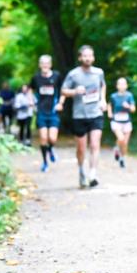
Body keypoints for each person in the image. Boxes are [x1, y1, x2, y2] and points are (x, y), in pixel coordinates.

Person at [60, 45, 106, 188]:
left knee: (94, 145)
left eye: (90, 55)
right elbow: (63, 91)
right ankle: (81, 171)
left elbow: (102, 85)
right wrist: (74, 91)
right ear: (80, 58)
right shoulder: (73, 74)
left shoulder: (99, 72)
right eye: (85, 56)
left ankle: (93, 174)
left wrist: (103, 99)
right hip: (79, 115)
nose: (88, 58)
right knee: (81, 148)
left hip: (96, 114)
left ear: (93, 57)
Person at [31, 55, 62, 172]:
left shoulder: (57, 76)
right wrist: (31, 101)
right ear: (40, 65)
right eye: (42, 63)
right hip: (41, 112)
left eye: (47, 63)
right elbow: (30, 89)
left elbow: (63, 90)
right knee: (43, 138)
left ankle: (51, 149)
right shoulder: (36, 78)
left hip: (53, 111)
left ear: (50, 64)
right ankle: (45, 162)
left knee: (52, 138)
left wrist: (61, 103)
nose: (45, 65)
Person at [107, 77, 136, 168]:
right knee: (121, 138)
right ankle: (117, 148)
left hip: (127, 122)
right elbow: (109, 105)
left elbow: (133, 109)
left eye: (124, 84)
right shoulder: (113, 96)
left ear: (126, 86)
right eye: (120, 84)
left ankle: (122, 158)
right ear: (117, 86)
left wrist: (128, 106)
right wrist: (110, 113)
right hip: (116, 121)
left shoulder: (129, 96)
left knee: (125, 143)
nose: (122, 86)